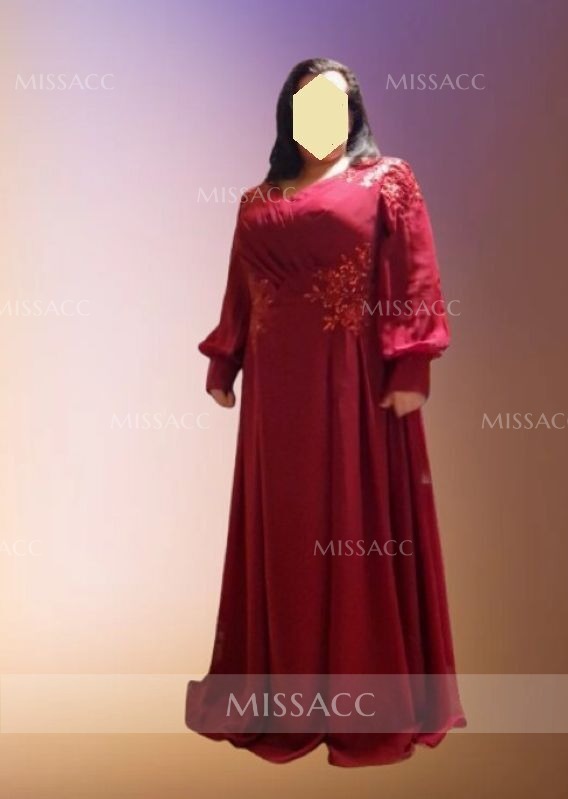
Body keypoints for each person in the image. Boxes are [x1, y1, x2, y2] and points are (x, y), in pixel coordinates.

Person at [186, 57, 466, 767]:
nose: (321, 117)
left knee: (353, 523)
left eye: (334, 104)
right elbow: (243, 287)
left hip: (353, 382)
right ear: (288, 114)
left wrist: (411, 365)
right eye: (307, 104)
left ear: (354, 113)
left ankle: (361, 700)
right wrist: (225, 361)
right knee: (284, 529)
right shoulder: (256, 199)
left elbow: (415, 275)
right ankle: (284, 695)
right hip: (275, 395)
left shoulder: (388, 182)